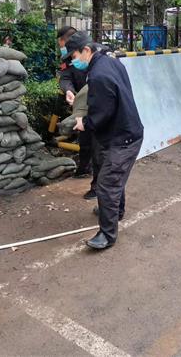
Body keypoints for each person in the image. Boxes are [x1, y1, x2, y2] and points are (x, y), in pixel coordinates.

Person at [70, 34, 143, 250]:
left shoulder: (98, 75)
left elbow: (102, 113)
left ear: (86, 50)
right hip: (122, 130)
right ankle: (115, 211)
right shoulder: (110, 61)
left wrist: (84, 123)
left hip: (123, 137)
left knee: (107, 184)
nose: (74, 61)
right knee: (112, 177)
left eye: (74, 56)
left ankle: (107, 234)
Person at [57, 27, 96, 199]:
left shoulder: (97, 59)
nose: (62, 49)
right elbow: (65, 77)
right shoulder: (69, 59)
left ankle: (97, 186)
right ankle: (85, 168)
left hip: (96, 104)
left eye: (62, 44)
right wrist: (68, 90)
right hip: (81, 106)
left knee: (99, 145)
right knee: (85, 138)